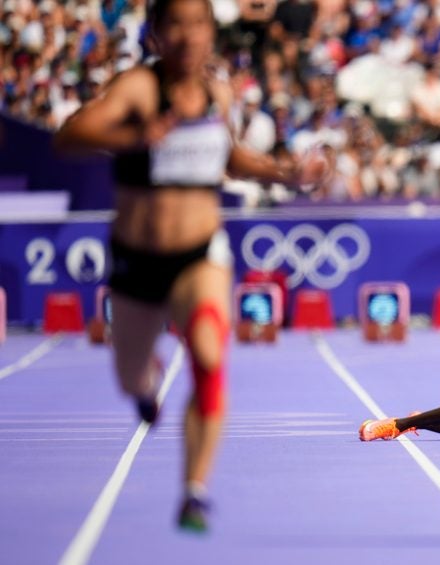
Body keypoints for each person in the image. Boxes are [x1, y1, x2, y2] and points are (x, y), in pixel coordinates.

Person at [53, 0, 326, 532]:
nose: (187, 36)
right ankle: (145, 384)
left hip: (200, 253)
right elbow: (69, 137)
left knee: (207, 352)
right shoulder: (138, 88)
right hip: (138, 261)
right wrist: (132, 137)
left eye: (197, 24)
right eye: (174, 25)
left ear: (209, 32)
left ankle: (194, 490)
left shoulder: (217, 92)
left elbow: (229, 157)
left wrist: (286, 173)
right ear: (156, 34)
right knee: (130, 378)